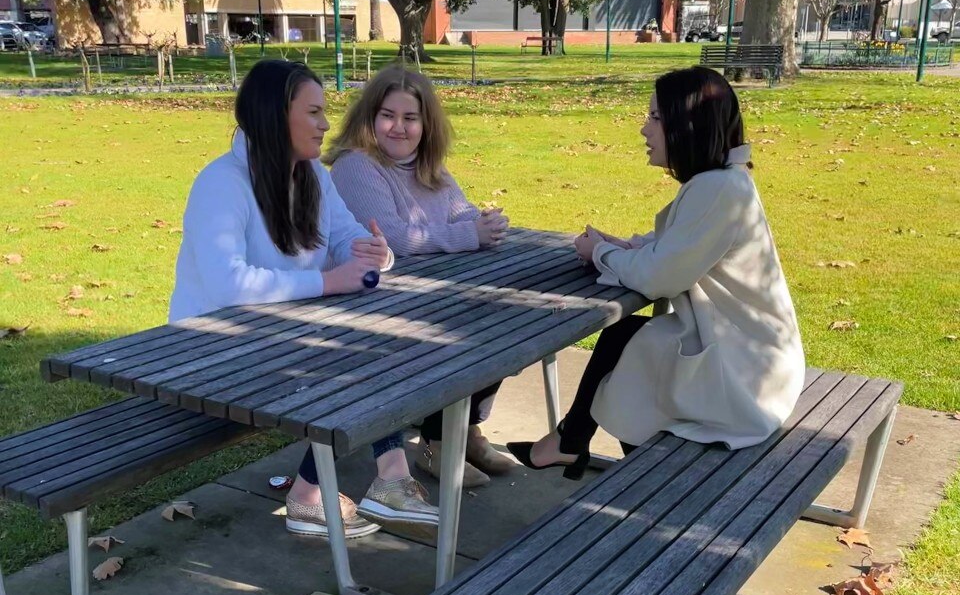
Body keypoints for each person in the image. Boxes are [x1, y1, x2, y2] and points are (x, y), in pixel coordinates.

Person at [169, 59, 440, 539]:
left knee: (380, 347)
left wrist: (376, 255)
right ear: (276, 115)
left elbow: (347, 240)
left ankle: (357, 486)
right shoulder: (221, 183)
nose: (325, 124)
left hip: (281, 338)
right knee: (354, 362)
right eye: (313, 112)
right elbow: (228, 284)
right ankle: (331, 491)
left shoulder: (312, 172)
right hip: (206, 355)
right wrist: (331, 283)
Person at [508, 66, 805, 476]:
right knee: (626, 339)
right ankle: (573, 441)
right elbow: (684, 247)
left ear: (687, 125)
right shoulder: (722, 182)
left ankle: (639, 478)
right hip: (750, 354)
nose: (644, 130)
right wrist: (625, 247)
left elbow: (659, 277)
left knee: (637, 356)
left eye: (654, 118)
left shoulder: (717, 189)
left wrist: (603, 254)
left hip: (749, 377)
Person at [328, 64, 514, 488]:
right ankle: (436, 441)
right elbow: (392, 237)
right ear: (369, 118)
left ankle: (464, 429)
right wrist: (469, 234)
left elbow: (457, 211)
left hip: (430, 291)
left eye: (410, 118)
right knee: (461, 333)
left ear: (426, 123)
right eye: (388, 116)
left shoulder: (430, 166)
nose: (399, 127)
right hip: (373, 303)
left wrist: (484, 222)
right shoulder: (356, 165)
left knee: (505, 323)